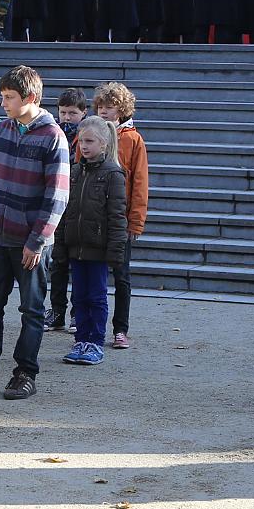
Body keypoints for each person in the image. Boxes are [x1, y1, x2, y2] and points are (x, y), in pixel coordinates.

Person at [0, 65, 71, 400]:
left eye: (8, 97)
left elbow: (57, 196)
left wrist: (38, 240)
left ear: (29, 98)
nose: (2, 103)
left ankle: (25, 372)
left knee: (31, 310)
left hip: (31, 242)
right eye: (2, 96)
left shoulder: (53, 137)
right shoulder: (1, 131)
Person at [59, 117, 130, 367]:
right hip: (77, 245)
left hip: (98, 248)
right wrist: (61, 245)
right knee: (78, 297)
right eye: (82, 142)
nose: (84, 146)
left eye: (90, 141)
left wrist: (115, 252)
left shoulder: (113, 174)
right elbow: (66, 211)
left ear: (103, 143)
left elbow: (117, 216)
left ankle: (96, 341)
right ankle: (81, 340)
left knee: (97, 297)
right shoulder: (75, 171)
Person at [92, 82, 148, 348]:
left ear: (121, 110)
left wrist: (136, 220)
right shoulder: (90, 134)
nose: (104, 112)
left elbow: (140, 183)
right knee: (93, 273)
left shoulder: (133, 139)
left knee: (121, 276)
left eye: (110, 107)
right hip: (93, 215)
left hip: (120, 218)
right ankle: (90, 325)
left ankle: (120, 329)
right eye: (101, 107)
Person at [46, 87, 88, 330]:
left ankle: (76, 311)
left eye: (72, 113)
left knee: (77, 263)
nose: (67, 117)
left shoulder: (85, 136)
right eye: (63, 112)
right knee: (58, 263)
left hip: (78, 207)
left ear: (83, 112)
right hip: (57, 206)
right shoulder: (54, 133)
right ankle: (57, 310)